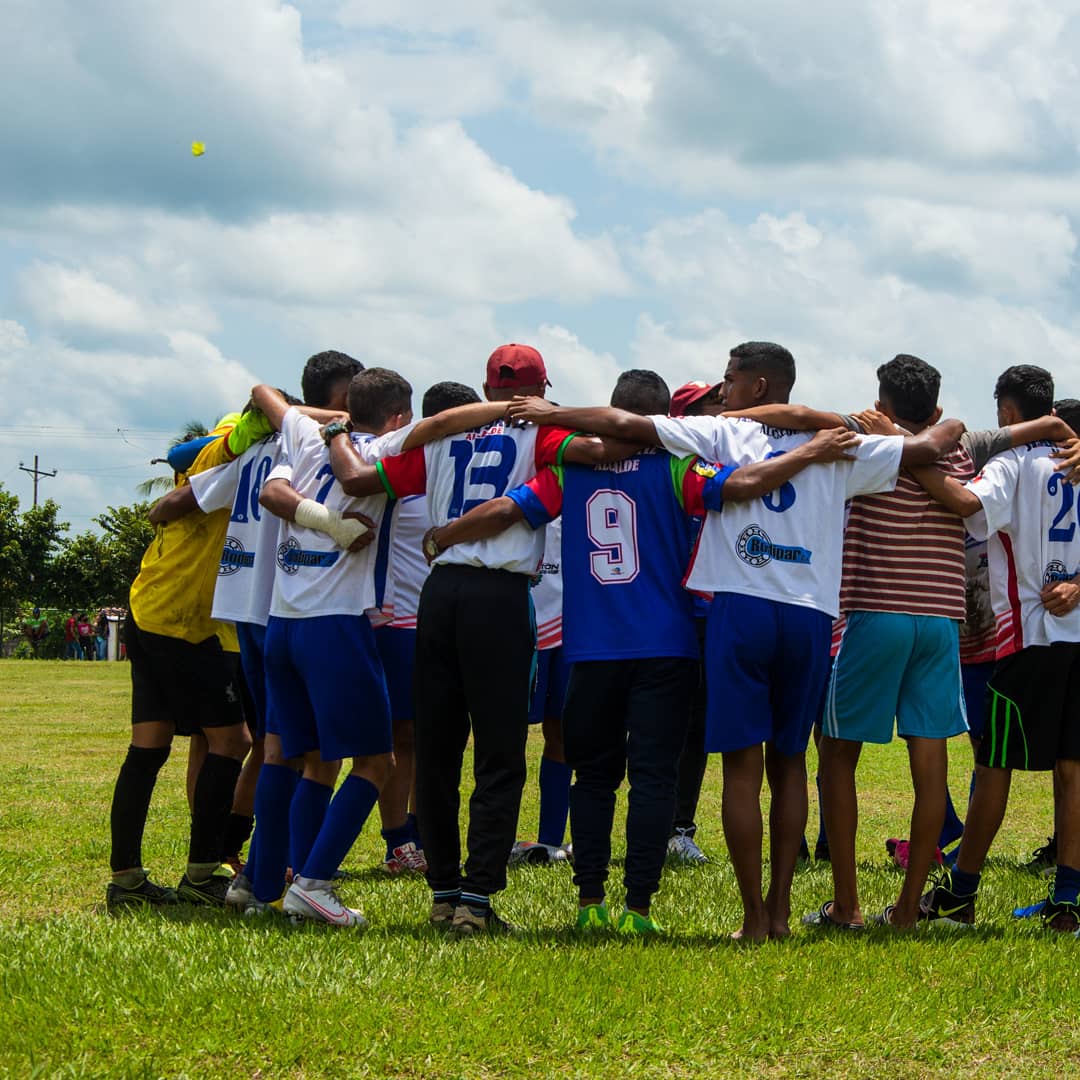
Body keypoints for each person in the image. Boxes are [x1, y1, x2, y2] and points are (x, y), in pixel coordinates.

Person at [506, 340, 961, 939]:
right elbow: (934, 444)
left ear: (760, 387)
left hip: (740, 607)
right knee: (792, 764)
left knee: (742, 770)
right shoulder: (840, 444)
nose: (723, 392)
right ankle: (780, 912)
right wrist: (842, 422)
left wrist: (550, 414)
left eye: (731, 382)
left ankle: (752, 920)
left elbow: (624, 423)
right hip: (807, 611)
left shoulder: (721, 435)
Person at [434, 369, 862, 934]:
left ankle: (590, 903)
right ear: (663, 421)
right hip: (666, 644)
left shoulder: (571, 469)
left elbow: (514, 509)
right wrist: (811, 451)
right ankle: (639, 907)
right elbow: (738, 486)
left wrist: (446, 535)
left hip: (590, 646)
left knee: (593, 777)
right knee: (655, 778)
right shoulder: (678, 465)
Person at [329, 344, 615, 935]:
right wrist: (554, 415)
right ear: (538, 388)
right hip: (501, 597)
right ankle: (477, 899)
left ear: (486, 386)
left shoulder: (437, 439)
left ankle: (442, 891)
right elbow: (598, 450)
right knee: (499, 752)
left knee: (437, 750)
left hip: (440, 595)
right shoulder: (539, 436)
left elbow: (360, 478)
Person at [811, 355, 1073, 930]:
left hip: (876, 611)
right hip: (940, 621)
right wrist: (1059, 429)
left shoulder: (863, 444)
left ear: (879, 406)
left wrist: (887, 435)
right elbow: (1022, 429)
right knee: (930, 766)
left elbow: (804, 427)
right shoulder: (963, 451)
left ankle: (848, 907)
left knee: (836, 757)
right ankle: (909, 909)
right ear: (936, 406)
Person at [255, 372, 510, 924]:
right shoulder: (384, 448)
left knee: (289, 753)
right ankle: (314, 883)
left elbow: (266, 413)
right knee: (376, 759)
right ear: (398, 417)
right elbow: (440, 425)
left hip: (282, 617)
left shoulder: (302, 434)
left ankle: (261, 884)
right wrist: (513, 409)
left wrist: (326, 423)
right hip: (337, 619)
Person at [914, 367, 1080, 932]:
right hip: (1078, 635)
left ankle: (960, 895)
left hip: (1030, 637)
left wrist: (913, 462)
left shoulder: (1011, 462)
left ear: (1007, 412)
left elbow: (965, 504)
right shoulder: (1078, 459)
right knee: (1072, 768)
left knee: (994, 767)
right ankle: (1069, 900)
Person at [105, 402, 281, 912]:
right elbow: (239, 427)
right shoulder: (224, 453)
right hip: (185, 620)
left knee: (150, 745)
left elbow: (180, 453)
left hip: (155, 607)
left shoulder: (209, 462)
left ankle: (127, 881)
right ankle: (203, 875)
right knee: (233, 740)